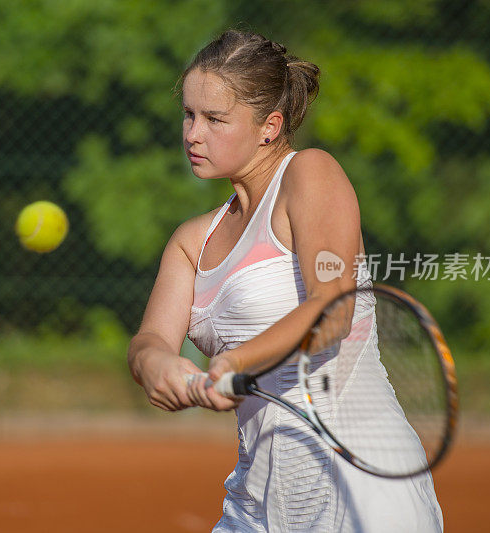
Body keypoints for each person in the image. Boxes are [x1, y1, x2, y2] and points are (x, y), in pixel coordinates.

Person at [127, 30, 443, 532]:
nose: (192, 134)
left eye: (215, 119)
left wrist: (235, 360)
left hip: (361, 491)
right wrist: (160, 365)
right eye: (189, 115)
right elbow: (149, 340)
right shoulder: (192, 240)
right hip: (257, 504)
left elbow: (334, 308)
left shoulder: (311, 174)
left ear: (269, 126)